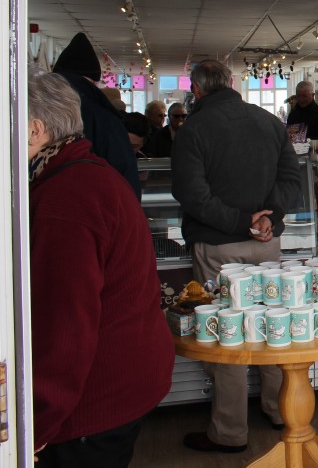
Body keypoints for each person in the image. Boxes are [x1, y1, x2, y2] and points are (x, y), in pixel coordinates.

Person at [28, 73, 173, 468]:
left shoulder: (66, 197)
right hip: (125, 378)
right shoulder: (86, 175)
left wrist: (33, 426)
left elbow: (65, 324)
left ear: (34, 130)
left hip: (95, 397)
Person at [171, 59, 301, 453]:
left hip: (217, 245)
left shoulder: (193, 129)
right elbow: (292, 180)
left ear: (196, 91)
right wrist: (268, 219)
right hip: (267, 243)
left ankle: (229, 432)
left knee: (230, 337)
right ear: (231, 83)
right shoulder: (269, 122)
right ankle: (280, 412)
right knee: (272, 326)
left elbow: (192, 195)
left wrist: (240, 221)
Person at [52, 32, 141, 198]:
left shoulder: (36, 109)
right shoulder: (104, 118)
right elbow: (124, 174)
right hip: (90, 209)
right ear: (93, 82)